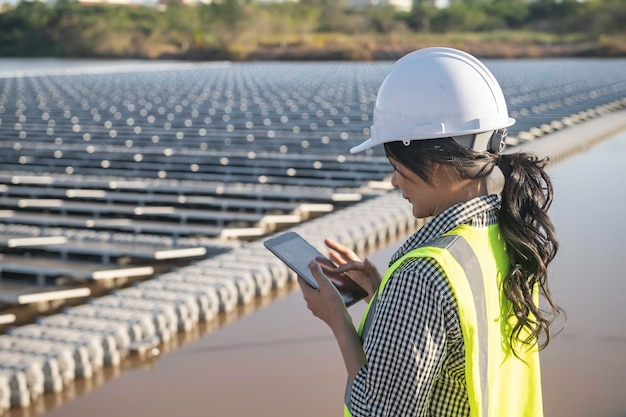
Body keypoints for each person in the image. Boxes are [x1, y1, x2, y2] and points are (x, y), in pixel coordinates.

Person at [298, 47, 561, 417]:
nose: (393, 181)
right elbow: (460, 337)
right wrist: (380, 289)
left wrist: (337, 319)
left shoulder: (423, 277)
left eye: (398, 167)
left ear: (436, 165)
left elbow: (379, 413)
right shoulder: (508, 233)